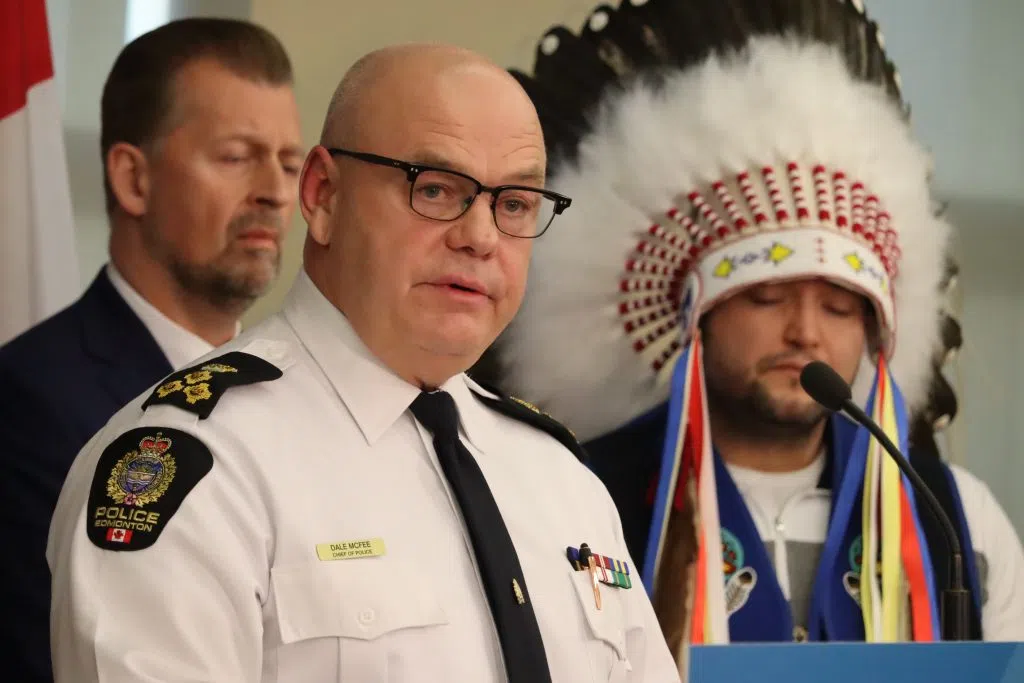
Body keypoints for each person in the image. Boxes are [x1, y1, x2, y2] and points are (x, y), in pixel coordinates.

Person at [46, 43, 681, 682]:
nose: (481, 237)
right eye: (435, 189)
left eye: (513, 204)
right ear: (322, 194)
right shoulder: (201, 468)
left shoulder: (563, 481)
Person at [491, 0, 1024, 661]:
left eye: (839, 308)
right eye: (768, 296)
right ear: (697, 319)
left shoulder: (954, 518)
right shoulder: (582, 498)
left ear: (875, 332)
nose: (804, 332)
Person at [0, 17, 302, 682]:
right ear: (133, 179)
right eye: (235, 157)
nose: (276, 192)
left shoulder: (302, 398)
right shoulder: (27, 403)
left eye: (288, 162)